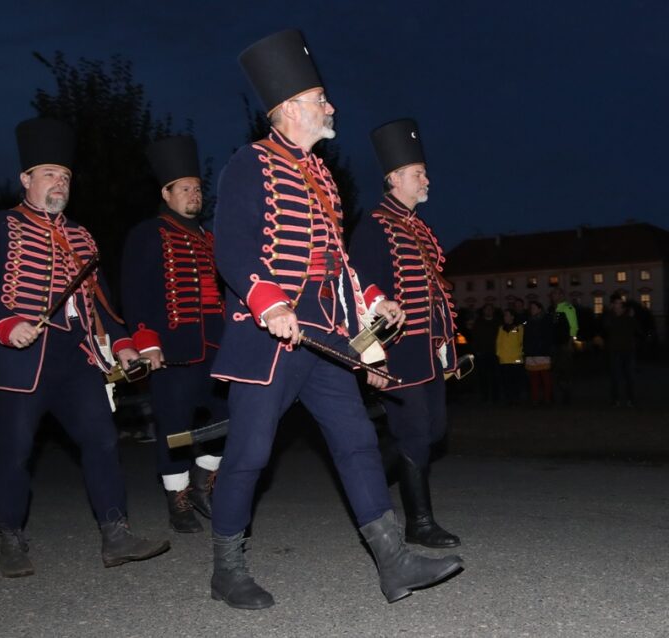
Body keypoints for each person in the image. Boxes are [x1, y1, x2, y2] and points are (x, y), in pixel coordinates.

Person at [208, 30, 462, 609]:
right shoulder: (250, 163)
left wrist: (370, 299)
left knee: (357, 443)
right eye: (320, 99)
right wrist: (268, 301)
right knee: (250, 454)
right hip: (268, 338)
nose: (330, 107)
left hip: (324, 336)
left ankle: (394, 562)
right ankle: (227, 568)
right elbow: (232, 246)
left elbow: (337, 260)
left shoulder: (322, 176)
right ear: (289, 108)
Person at [0, 118, 170, 578]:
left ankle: (116, 534)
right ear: (26, 179)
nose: (60, 182)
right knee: (15, 451)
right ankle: (11, 537)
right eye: (50, 174)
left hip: (77, 357)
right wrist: (6, 324)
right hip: (21, 359)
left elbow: (102, 301)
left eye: (66, 176)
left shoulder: (82, 236)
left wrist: (123, 344)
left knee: (102, 441)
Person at [348, 118, 460, 548]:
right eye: (418, 173)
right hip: (396, 351)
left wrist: (446, 344)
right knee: (414, 433)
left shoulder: (418, 228)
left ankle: (366, 480)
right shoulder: (374, 225)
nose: (426, 180)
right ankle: (420, 522)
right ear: (395, 178)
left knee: (432, 432)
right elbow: (359, 290)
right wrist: (369, 355)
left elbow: (434, 295)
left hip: (427, 352)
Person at [121, 135, 227, 533]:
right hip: (171, 349)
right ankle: (177, 498)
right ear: (166, 194)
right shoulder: (148, 233)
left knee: (229, 416)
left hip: (216, 347)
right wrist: (146, 341)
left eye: (197, 188)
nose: (193, 194)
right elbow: (135, 292)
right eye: (184, 188)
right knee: (174, 427)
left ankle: (203, 481)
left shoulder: (210, 239)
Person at [604, 295, 639, 407]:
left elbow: (636, 329)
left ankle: (630, 399)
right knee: (615, 376)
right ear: (613, 305)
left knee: (630, 376)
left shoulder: (628, 316)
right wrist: (609, 313)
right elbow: (605, 327)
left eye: (620, 303)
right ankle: (615, 400)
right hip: (614, 351)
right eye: (616, 303)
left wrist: (632, 317)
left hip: (628, 350)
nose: (618, 306)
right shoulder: (610, 316)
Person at [522, 300, 554, 405]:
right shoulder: (528, 321)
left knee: (545, 378)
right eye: (531, 308)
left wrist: (546, 348)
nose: (531, 310)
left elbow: (548, 337)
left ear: (540, 309)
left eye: (534, 308)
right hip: (531, 353)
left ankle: (547, 398)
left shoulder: (546, 320)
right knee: (533, 378)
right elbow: (525, 336)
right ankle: (535, 398)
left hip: (542, 352)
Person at [550, 287, 578, 404]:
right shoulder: (553, 309)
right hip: (555, 344)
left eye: (555, 294)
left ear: (561, 295)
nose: (553, 296)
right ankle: (557, 396)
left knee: (565, 371)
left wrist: (570, 343)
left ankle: (566, 397)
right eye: (552, 294)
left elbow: (574, 326)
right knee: (555, 371)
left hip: (564, 344)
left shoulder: (568, 307)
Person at [470, 303, 502, 402]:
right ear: (483, 311)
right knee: (482, 376)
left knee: (495, 376)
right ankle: (484, 396)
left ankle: (495, 397)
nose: (488, 310)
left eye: (490, 309)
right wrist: (476, 351)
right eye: (487, 309)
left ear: (493, 310)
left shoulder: (498, 322)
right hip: (482, 353)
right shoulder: (478, 322)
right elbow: (474, 337)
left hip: (495, 353)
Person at [496, 308, 525, 404]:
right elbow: (499, 342)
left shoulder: (519, 327)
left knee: (516, 379)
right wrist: (499, 354)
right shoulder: (501, 328)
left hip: (516, 358)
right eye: (505, 315)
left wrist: (520, 353)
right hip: (504, 358)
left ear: (512, 317)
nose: (505, 317)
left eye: (507, 315)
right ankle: (509, 398)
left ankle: (516, 397)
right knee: (506, 380)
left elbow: (521, 341)